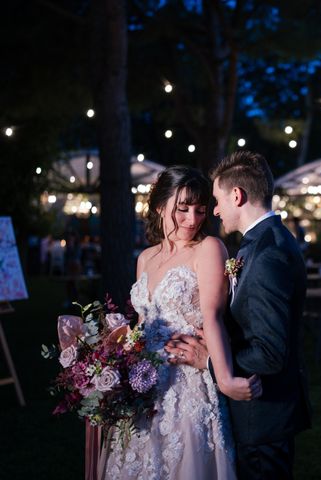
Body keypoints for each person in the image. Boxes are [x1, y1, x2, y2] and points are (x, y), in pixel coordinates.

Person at [101, 166, 261, 479]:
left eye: (200, 210)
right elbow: (145, 323)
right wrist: (113, 369)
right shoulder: (145, 258)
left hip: (186, 388)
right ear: (160, 206)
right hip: (143, 385)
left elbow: (213, 317)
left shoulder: (208, 249)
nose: (192, 220)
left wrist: (225, 378)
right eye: (182, 209)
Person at [167, 151, 311, 479]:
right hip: (262, 414)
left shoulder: (267, 255)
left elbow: (270, 353)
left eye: (216, 200)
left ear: (237, 195)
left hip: (263, 415)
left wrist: (209, 362)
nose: (214, 210)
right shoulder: (262, 242)